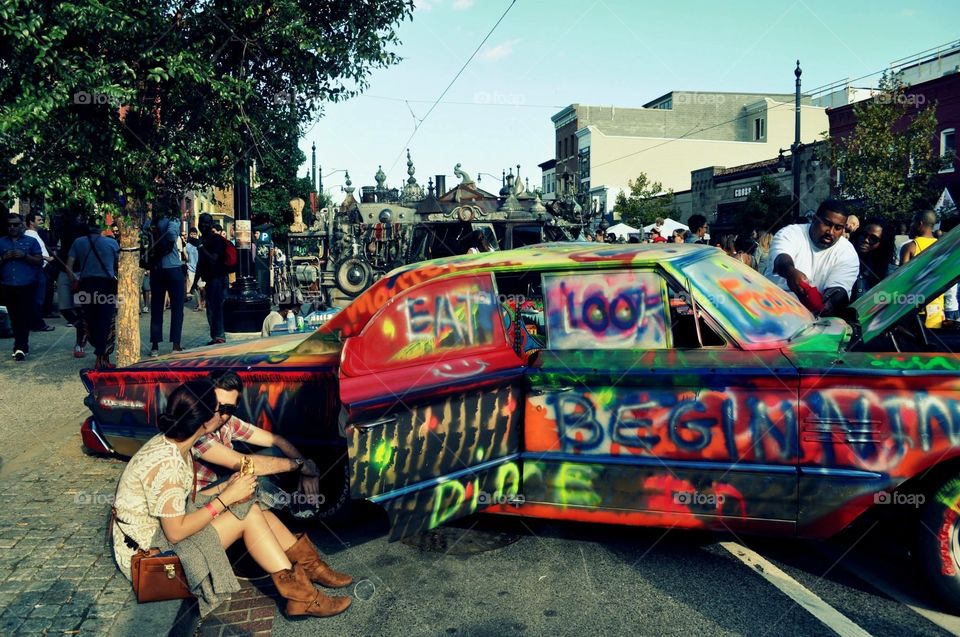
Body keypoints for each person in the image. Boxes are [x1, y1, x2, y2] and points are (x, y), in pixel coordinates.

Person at [111, 380, 352, 618]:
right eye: (218, 409)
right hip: (152, 558)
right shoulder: (168, 463)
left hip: (162, 535)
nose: (223, 415)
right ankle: (303, 597)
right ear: (206, 419)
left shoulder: (177, 442)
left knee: (253, 508)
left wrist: (226, 487)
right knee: (247, 515)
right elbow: (175, 532)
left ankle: (311, 569)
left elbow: (182, 502)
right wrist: (226, 498)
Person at [192, 372, 332, 522]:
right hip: (200, 504)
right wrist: (300, 465)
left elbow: (277, 440)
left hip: (225, 488)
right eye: (215, 405)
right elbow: (246, 463)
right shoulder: (196, 428)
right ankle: (285, 507)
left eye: (228, 409)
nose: (220, 414)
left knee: (275, 453)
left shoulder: (228, 422)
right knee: (251, 472)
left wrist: (305, 467)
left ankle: (284, 506)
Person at [765, 199, 859, 316]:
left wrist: (830, 304)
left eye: (838, 228)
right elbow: (781, 260)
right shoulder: (790, 233)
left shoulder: (848, 252)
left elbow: (839, 288)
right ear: (815, 218)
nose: (830, 232)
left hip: (810, 324)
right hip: (770, 309)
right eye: (827, 223)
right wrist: (791, 272)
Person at [66, 219, 120, 369]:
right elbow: (119, 265)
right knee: (107, 322)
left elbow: (69, 266)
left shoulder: (78, 242)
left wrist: (74, 282)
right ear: (102, 227)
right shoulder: (112, 243)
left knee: (90, 321)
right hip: (106, 285)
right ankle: (103, 357)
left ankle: (98, 354)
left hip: (86, 285)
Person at [0, 213, 44, 361]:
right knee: (13, 316)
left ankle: (20, 346)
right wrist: (3, 258)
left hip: (27, 285)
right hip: (8, 285)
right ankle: (19, 344)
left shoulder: (31, 241)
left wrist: (24, 255)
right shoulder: (1, 242)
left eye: (15, 224)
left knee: (24, 316)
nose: (12, 227)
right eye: (9, 225)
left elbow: (39, 261)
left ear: (21, 225)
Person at [148, 202, 185, 356]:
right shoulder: (173, 219)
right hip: (173, 267)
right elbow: (171, 235)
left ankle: (155, 346)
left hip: (156, 268)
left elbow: (145, 232)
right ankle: (175, 344)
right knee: (177, 308)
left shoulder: (152, 222)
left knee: (156, 307)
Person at [54, 205, 89, 356]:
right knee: (64, 308)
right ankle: (82, 328)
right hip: (64, 269)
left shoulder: (84, 228)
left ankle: (79, 342)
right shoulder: (59, 225)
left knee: (80, 308)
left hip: (80, 270)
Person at [900, 210, 944, 328]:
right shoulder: (943, 246)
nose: (910, 225)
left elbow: (901, 280)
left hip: (915, 309)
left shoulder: (910, 247)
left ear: (919, 223)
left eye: (912, 222)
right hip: (937, 306)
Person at [197, 213, 230, 345]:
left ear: (211, 224)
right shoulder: (203, 240)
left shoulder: (216, 240)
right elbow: (201, 262)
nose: (203, 226)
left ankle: (220, 336)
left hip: (218, 278)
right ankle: (215, 336)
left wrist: (200, 247)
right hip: (210, 279)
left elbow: (213, 259)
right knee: (210, 308)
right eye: (201, 222)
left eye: (206, 223)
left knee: (216, 308)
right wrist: (194, 283)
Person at [23, 212, 55, 332]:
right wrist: (47, 258)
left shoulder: (35, 234)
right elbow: (32, 252)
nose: (41, 222)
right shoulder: (29, 235)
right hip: (38, 269)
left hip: (43, 268)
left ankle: (37, 322)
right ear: (31, 222)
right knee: (38, 298)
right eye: (39, 220)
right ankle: (37, 323)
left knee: (40, 296)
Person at [849, 220, 891, 302]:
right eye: (864, 235)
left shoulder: (888, 273)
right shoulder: (843, 258)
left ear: (882, 243)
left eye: (873, 238)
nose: (866, 240)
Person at [185, 227, 199, 306]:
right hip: (191, 268)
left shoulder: (199, 243)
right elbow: (187, 257)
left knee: (201, 288)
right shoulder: (188, 245)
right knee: (192, 283)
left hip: (199, 268)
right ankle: (198, 303)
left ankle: (202, 302)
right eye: (191, 234)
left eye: (194, 234)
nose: (193, 235)